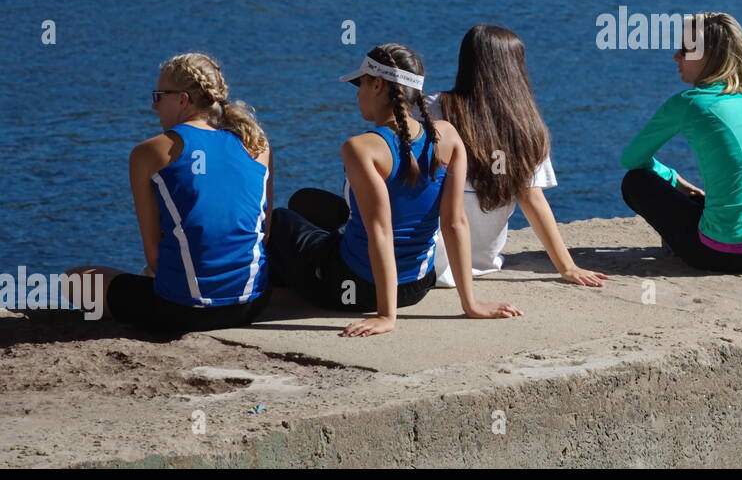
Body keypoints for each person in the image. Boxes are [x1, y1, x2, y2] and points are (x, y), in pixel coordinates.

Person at [268, 43, 520, 337]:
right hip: (417, 285)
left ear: (377, 84)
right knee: (307, 201)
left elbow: (381, 231)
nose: (357, 93)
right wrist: (471, 303)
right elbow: (454, 223)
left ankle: (256, 293)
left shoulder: (361, 148)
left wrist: (386, 316)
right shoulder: (448, 136)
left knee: (282, 218)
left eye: (360, 84)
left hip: (353, 287)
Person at [69, 53, 273, 332]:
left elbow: (154, 255)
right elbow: (264, 231)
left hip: (185, 311)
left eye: (158, 96)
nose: (154, 106)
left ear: (183, 100)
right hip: (251, 305)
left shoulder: (151, 152)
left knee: (74, 281)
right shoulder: (257, 144)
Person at [619, 12, 742, 273]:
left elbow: (632, 160)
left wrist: (675, 181)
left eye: (685, 50)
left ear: (708, 56)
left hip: (722, 255)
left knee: (635, 181)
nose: (676, 56)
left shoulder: (688, 102)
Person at [427, 25, 607, 289]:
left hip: (428, 264)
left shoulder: (431, 107)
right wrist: (567, 267)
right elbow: (531, 197)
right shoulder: (526, 126)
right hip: (482, 263)